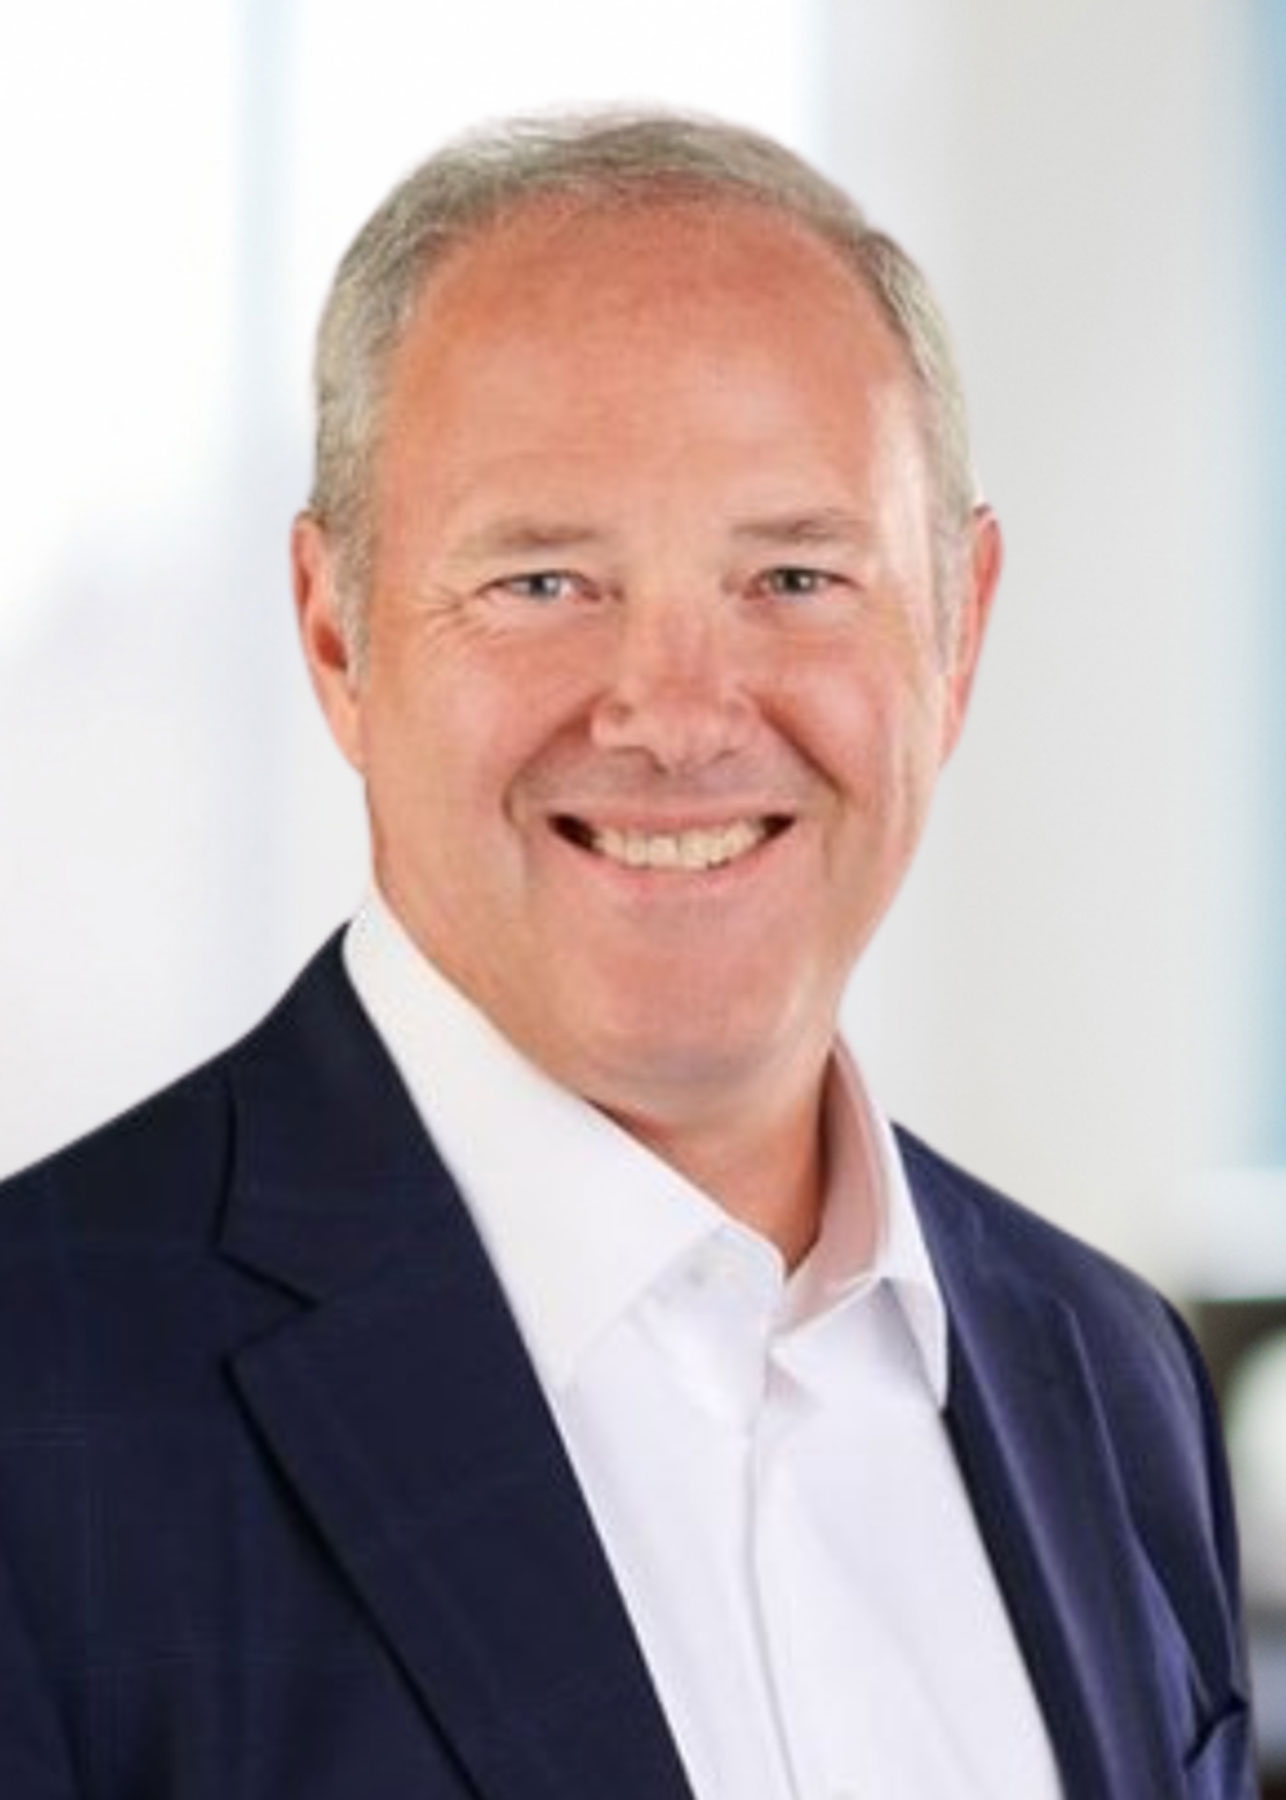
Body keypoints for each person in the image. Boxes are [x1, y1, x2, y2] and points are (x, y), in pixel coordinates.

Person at [0, 109, 1255, 1799]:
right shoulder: (40, 1399)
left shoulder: (1110, 1373)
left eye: (793, 574)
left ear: (956, 633)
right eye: (542, 582)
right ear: (336, 635)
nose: (674, 713)